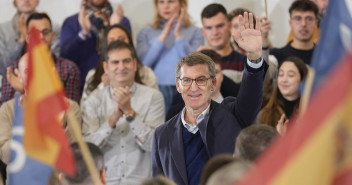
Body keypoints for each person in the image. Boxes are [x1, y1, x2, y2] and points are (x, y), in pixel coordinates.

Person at [152, 12, 267, 185]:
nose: (193, 87)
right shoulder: (162, 134)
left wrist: (254, 57)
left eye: (200, 80)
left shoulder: (232, 114)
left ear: (213, 83)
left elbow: (250, 98)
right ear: (178, 85)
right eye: (187, 80)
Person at [81, 40, 165, 185]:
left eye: (126, 61)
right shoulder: (92, 101)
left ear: (134, 64)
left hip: (143, 181)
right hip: (104, 181)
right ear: (106, 67)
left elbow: (154, 145)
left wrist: (130, 113)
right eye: (115, 62)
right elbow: (88, 151)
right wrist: (112, 120)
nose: (121, 67)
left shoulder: (153, 97)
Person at [0, 53, 81, 183]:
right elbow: (5, 154)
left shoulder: (69, 107)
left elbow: (74, 155)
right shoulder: (7, 109)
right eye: (28, 71)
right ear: (19, 77)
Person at [137, 0, 204, 112]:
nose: (166, 6)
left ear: (182, 4)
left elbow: (194, 66)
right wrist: (163, 35)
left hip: (188, 87)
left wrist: (179, 36)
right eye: (161, 2)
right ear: (156, 5)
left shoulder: (195, 31)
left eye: (171, 1)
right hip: (158, 88)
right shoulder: (145, 32)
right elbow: (144, 65)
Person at [0, 13, 80, 106]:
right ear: (27, 37)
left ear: (53, 35)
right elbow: (5, 112)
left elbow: (70, 111)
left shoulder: (69, 69)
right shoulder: (13, 69)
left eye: (45, 32)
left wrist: (26, 90)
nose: (41, 37)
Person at [60, 0, 131, 93]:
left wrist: (114, 27)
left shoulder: (121, 20)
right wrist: (83, 34)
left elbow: (128, 54)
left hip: (118, 84)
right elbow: (65, 57)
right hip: (81, 87)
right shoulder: (72, 22)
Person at [81, 24, 158, 102]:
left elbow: (154, 102)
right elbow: (85, 108)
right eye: (112, 41)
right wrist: (103, 88)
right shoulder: (93, 74)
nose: (117, 44)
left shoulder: (146, 73)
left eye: (121, 39)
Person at [166, 49, 240, 120]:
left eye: (216, 72)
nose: (211, 77)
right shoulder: (174, 113)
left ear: (222, 75)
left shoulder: (235, 109)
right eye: (201, 78)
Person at [0, 0, 61, 75]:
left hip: (47, 78)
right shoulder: (2, 29)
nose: (26, 0)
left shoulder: (53, 27)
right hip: (13, 79)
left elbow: (56, 61)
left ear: (38, 1)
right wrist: (21, 40)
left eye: (44, 32)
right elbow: (3, 69)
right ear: (15, 3)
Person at [257, 56, 308, 128]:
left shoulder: (311, 111)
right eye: (281, 74)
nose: (284, 80)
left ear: (302, 79)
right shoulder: (264, 115)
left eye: (291, 75)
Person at [200, 3, 247, 72]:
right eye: (209, 28)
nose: (215, 32)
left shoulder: (245, 62)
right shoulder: (195, 64)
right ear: (203, 31)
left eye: (220, 26)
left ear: (230, 26)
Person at [270, 0, 319, 65]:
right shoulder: (275, 56)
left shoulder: (325, 57)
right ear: (290, 23)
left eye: (309, 19)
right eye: (298, 19)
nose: (303, 24)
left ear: (316, 23)